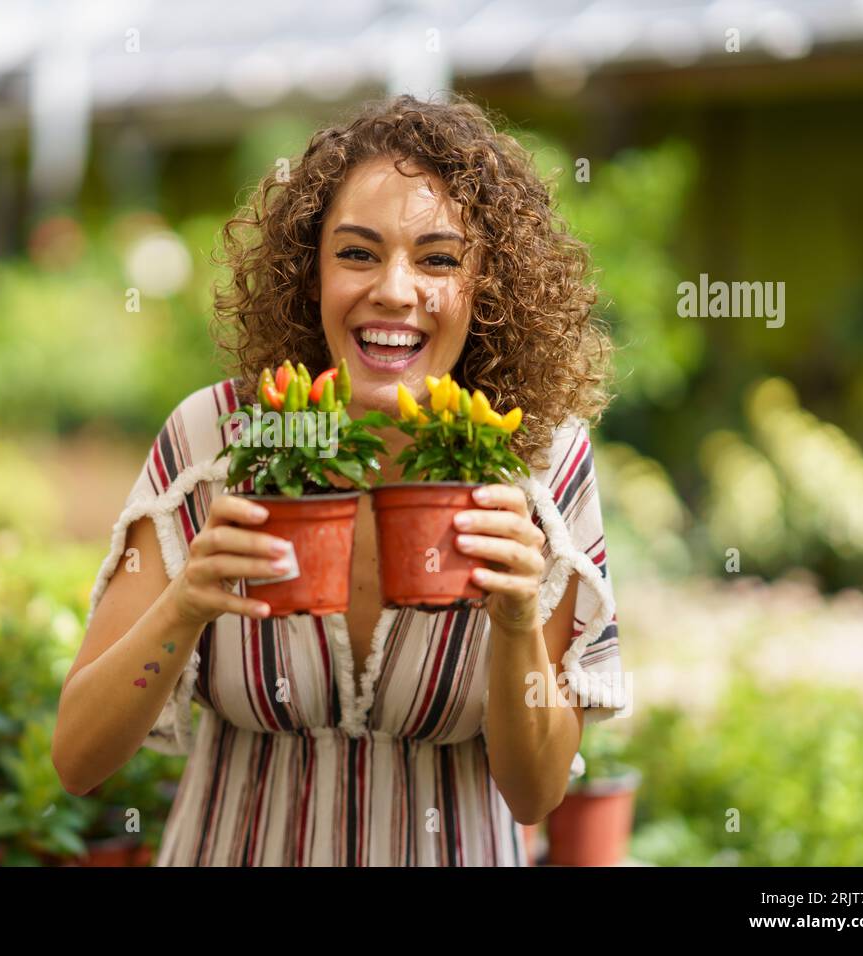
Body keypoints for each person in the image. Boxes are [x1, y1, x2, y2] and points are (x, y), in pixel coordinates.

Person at [52, 92, 627, 866]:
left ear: (485, 283)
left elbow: (536, 793)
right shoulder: (213, 441)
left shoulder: (540, 461)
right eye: (357, 253)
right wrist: (183, 604)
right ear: (309, 273)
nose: (394, 289)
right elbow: (79, 758)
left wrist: (519, 624)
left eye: (438, 258)